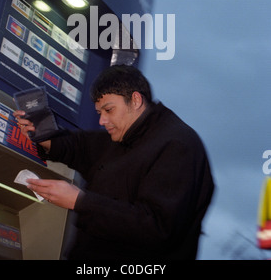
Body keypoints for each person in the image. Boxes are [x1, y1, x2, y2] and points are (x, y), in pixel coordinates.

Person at [13, 65, 214, 261]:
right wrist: (43, 135)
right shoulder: (123, 136)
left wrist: (80, 201)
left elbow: (157, 228)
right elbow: (79, 147)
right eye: (100, 112)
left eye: (109, 110)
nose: (102, 120)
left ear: (135, 100)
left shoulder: (178, 145)